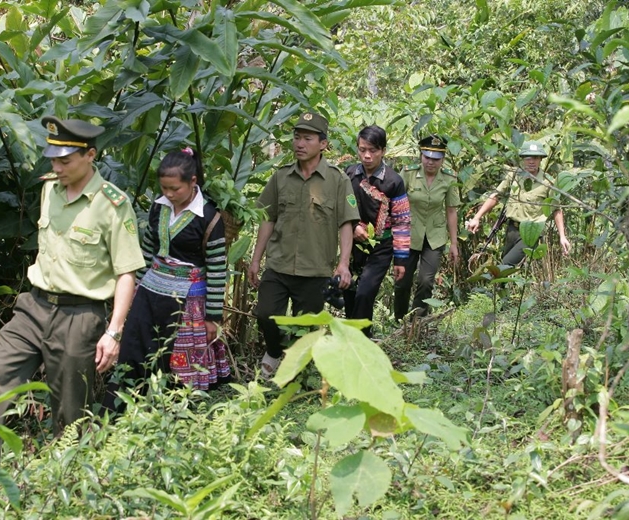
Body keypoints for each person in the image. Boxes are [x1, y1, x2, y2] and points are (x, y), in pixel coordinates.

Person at [0, 116, 145, 466]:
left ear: (90, 156)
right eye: (53, 159)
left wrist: (114, 332)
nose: (57, 167)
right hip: (33, 307)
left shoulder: (112, 204)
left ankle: (66, 481)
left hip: (79, 315)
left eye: (65, 160)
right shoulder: (49, 188)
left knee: (70, 411)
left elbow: (126, 272)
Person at [101, 148, 231, 412]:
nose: (169, 194)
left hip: (189, 300)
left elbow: (218, 269)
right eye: (164, 188)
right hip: (150, 290)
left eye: (175, 189)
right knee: (135, 346)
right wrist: (135, 288)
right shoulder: (158, 208)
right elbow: (148, 249)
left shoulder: (209, 218)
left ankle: (173, 414)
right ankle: (121, 407)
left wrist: (212, 318)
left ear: (193, 181)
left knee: (177, 359)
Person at [248, 111, 359, 378]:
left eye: (307, 138)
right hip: (279, 264)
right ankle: (274, 352)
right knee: (266, 314)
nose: (299, 143)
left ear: (322, 144)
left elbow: (347, 222)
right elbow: (267, 218)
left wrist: (344, 263)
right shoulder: (280, 177)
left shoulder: (337, 180)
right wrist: (255, 259)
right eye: (297, 137)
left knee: (305, 326)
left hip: (315, 269)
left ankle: (298, 370)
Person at [343, 125, 410, 336]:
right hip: (351, 244)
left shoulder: (394, 181)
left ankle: (360, 339)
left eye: (373, 150)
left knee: (365, 292)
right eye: (362, 150)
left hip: (381, 247)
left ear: (383, 150)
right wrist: (352, 227)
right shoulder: (350, 174)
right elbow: (341, 207)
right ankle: (356, 337)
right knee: (350, 292)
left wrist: (400, 260)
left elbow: (401, 221)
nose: (367, 155)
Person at [466, 140, 571, 265]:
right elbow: (496, 196)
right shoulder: (514, 176)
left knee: (504, 266)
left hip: (531, 232)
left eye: (535, 157)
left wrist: (562, 236)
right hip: (511, 229)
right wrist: (477, 217)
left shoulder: (547, 182)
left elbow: (556, 209)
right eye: (528, 157)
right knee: (507, 270)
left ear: (540, 159)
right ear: (522, 159)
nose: (531, 161)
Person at [394, 135, 460, 320]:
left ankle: (418, 321)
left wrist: (454, 243)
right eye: (427, 157)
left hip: (435, 235)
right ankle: (399, 320)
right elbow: (396, 202)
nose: (431, 162)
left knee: (426, 281)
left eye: (436, 159)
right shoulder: (408, 173)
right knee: (402, 281)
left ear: (442, 159)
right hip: (408, 234)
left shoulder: (449, 178)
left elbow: (451, 210)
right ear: (421, 155)